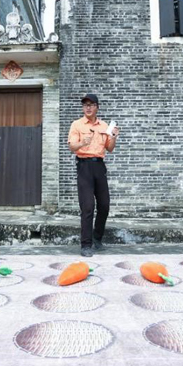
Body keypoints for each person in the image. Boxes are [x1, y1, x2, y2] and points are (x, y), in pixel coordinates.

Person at [68, 93, 120, 257]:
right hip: (84, 166)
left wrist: (113, 137)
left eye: (91, 105)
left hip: (99, 166)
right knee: (88, 206)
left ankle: (97, 239)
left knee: (104, 205)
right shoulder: (77, 124)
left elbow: (109, 148)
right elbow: (72, 147)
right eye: (85, 105)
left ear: (97, 107)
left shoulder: (104, 125)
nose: (88, 108)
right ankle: (86, 245)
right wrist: (82, 143)